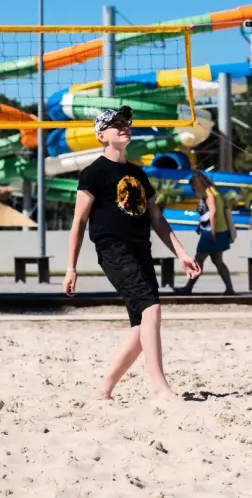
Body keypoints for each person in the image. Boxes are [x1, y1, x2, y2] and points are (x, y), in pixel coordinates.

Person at [63, 105, 201, 400]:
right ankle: (160, 387)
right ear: (102, 135)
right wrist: (71, 268)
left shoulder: (137, 173)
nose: (124, 126)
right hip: (113, 249)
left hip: (141, 250)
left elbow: (157, 219)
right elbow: (78, 222)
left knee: (141, 325)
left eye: (126, 122)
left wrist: (181, 253)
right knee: (152, 309)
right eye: (116, 124)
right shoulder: (93, 173)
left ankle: (104, 389)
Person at [178, 171, 236, 295]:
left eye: (194, 187)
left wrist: (212, 232)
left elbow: (213, 213)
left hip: (211, 232)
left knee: (199, 260)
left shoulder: (209, 195)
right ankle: (230, 288)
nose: (194, 191)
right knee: (218, 261)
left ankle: (188, 288)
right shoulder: (215, 191)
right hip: (221, 231)